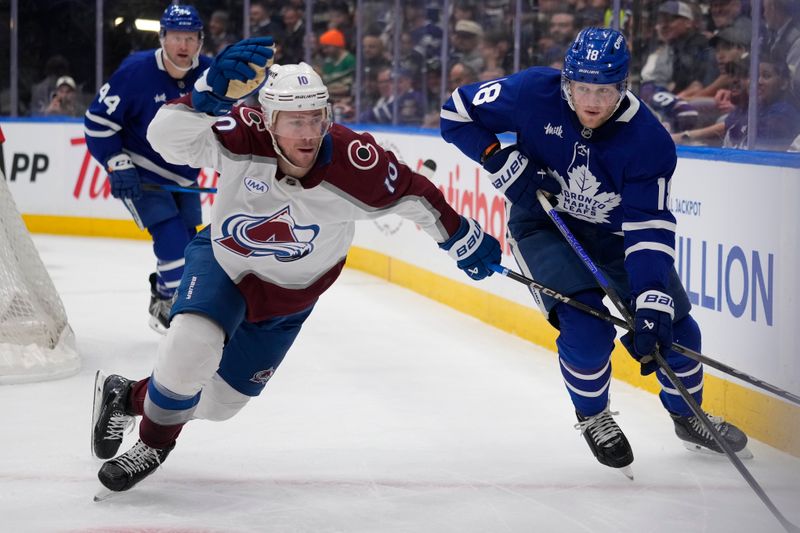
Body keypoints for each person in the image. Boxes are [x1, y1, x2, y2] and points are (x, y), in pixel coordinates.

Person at [90, 43, 502, 494]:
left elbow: (415, 193)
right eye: (294, 120)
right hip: (225, 265)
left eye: (315, 118)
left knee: (223, 404)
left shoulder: (356, 163)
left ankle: (126, 395)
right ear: (268, 119)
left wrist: (460, 236)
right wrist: (206, 95)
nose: (307, 133)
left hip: (290, 298)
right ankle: (153, 443)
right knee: (191, 345)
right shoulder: (239, 136)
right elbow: (165, 138)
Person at [440, 27, 750, 476]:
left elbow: (648, 229)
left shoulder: (648, 141)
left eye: (604, 91)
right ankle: (593, 416)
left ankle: (687, 415)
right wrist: (495, 155)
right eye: (581, 88)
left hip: (617, 238)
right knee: (585, 328)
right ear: (565, 81)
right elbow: (456, 113)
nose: (591, 101)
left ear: (623, 88)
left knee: (679, 334)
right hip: (544, 225)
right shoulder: (531, 91)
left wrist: (650, 299)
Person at [83, 5, 212, 334]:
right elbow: (98, 122)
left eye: (190, 38)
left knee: (188, 241)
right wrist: (115, 161)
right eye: (175, 37)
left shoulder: (211, 75)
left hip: (185, 175)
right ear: (162, 38)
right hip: (142, 171)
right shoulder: (135, 71)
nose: (183, 45)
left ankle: (163, 296)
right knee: (170, 237)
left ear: (200, 40)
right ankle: (179, 312)